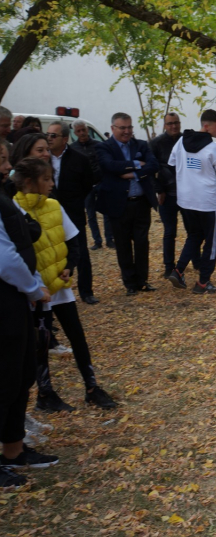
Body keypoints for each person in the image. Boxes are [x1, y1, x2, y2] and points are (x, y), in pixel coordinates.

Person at [12, 157, 117, 412]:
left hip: (61, 287)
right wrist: (32, 286)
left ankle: (92, 387)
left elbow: (73, 241)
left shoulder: (54, 205)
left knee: (77, 336)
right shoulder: (14, 210)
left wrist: (70, 266)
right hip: (38, 292)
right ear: (29, 182)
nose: (51, 183)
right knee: (42, 343)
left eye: (51, 178)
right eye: (46, 179)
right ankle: (45, 394)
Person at [0, 142, 57, 488]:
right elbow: (5, 258)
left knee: (20, 376)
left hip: (18, 299)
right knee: (5, 378)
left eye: (6, 159)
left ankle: (13, 450)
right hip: (6, 300)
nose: (7, 166)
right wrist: (34, 288)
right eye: (1, 160)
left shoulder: (4, 198)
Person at [165, 110, 216, 294]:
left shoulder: (180, 142)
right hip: (206, 202)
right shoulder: (213, 148)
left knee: (194, 236)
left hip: (186, 200)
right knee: (210, 243)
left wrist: (185, 181)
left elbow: (171, 166)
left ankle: (178, 270)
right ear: (207, 126)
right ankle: (203, 281)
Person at [95, 113, 159, 295]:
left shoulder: (141, 145)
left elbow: (154, 165)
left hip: (141, 202)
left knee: (141, 243)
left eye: (129, 127)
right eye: (122, 128)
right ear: (113, 128)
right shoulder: (103, 147)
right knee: (123, 245)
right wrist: (136, 163)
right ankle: (130, 283)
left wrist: (134, 173)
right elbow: (110, 166)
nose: (127, 131)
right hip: (118, 204)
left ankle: (142, 280)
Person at [47, 121, 99, 304]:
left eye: (53, 135)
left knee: (80, 252)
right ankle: (55, 291)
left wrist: (74, 201)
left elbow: (87, 184)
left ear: (65, 138)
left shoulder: (79, 159)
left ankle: (86, 291)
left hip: (73, 211)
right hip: (48, 213)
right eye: (48, 135)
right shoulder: (43, 159)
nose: (49, 139)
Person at [150, 113, 191, 278]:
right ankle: (169, 266)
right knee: (169, 232)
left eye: (176, 123)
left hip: (187, 194)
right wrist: (159, 190)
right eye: (170, 124)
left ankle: (195, 260)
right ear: (165, 125)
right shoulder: (156, 144)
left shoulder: (187, 140)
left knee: (192, 230)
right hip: (167, 195)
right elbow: (152, 169)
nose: (173, 126)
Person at [71, 120, 113, 250]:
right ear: (75, 132)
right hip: (86, 186)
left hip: (101, 182)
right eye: (79, 131)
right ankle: (97, 240)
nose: (82, 133)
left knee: (107, 212)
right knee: (90, 214)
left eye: (83, 130)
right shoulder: (73, 148)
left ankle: (109, 239)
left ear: (87, 129)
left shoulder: (99, 145)